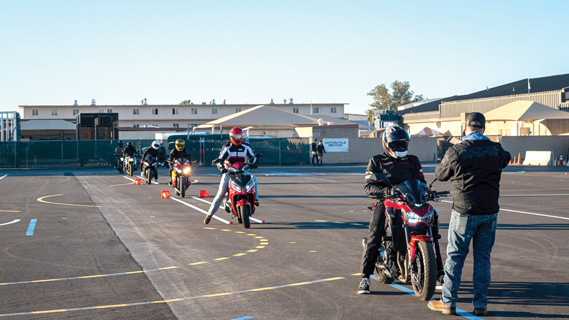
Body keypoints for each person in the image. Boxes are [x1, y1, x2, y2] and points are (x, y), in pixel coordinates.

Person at [428, 112, 510, 316]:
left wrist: (457, 146)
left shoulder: (457, 151)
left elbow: (440, 174)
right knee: (483, 258)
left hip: (464, 211)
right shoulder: (496, 149)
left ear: (465, 128)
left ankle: (448, 301)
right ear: (484, 128)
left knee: (455, 257)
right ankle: (480, 303)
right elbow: (506, 159)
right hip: (490, 211)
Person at [358, 125, 427, 294]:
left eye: (403, 143)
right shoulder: (377, 161)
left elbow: (421, 181)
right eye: (396, 144)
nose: (400, 147)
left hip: (409, 201)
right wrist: (386, 192)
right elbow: (368, 186)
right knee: (375, 234)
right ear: (386, 144)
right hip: (386, 201)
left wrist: (426, 190)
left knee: (428, 223)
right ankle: (365, 278)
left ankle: (438, 272)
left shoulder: (413, 160)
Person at [204, 127, 259, 225]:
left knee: (254, 178)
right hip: (229, 173)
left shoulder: (246, 147)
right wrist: (222, 168)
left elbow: (253, 157)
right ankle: (209, 214)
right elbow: (220, 159)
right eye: (235, 136)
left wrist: (253, 163)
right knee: (220, 194)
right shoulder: (227, 147)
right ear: (231, 137)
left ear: (242, 137)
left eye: (239, 136)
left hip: (242, 171)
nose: (237, 139)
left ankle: (256, 200)